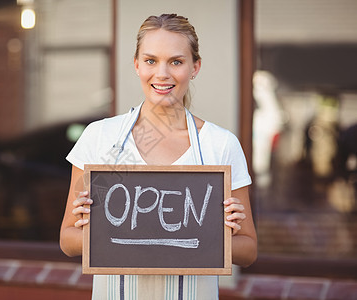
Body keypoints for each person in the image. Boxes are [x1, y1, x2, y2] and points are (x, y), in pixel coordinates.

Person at [60, 13, 257, 300]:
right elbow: (68, 240)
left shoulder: (221, 145)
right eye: (151, 61)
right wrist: (95, 226)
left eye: (176, 61)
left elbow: (248, 250)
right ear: (137, 65)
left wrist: (218, 232)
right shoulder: (99, 138)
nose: (162, 74)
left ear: (195, 67)